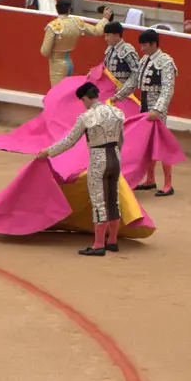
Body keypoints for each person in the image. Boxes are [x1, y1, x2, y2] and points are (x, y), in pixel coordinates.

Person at [36, 82, 125, 256]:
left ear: (85, 98)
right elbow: (121, 139)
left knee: (99, 200)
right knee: (113, 199)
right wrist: (116, 155)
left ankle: (98, 244)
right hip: (115, 157)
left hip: (98, 159)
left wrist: (48, 152)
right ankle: (112, 241)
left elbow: (69, 141)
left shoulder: (86, 117)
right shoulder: (116, 112)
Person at [112, 29, 178, 196]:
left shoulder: (166, 61)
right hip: (145, 107)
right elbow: (133, 82)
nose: (141, 48)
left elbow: (167, 89)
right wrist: (117, 97)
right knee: (148, 145)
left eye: (144, 45)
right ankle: (150, 179)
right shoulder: (144, 60)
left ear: (154, 44)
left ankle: (168, 184)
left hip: (157, 110)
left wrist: (157, 109)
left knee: (161, 145)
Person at [41, 0, 113, 85]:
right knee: (66, 89)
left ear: (56, 8)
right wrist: (105, 19)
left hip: (57, 64)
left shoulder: (53, 26)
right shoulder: (77, 22)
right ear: (69, 10)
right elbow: (97, 31)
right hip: (69, 62)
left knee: (57, 92)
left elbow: (45, 52)